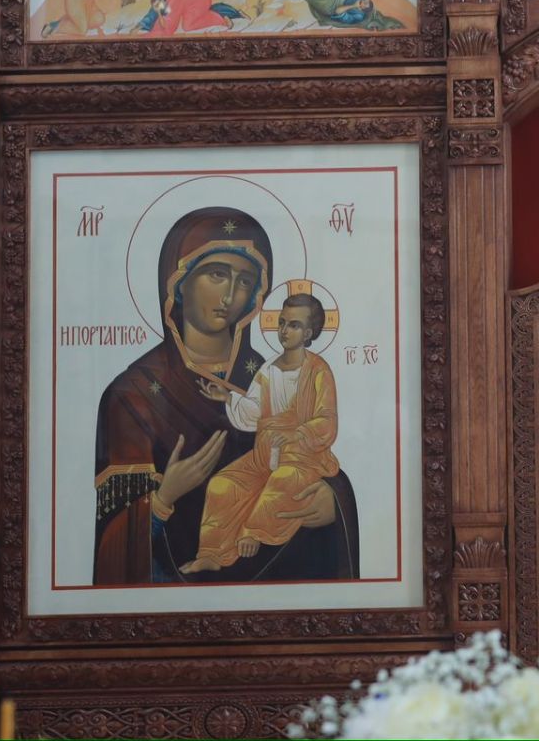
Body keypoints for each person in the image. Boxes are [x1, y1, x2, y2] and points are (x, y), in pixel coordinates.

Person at [93, 207, 359, 584]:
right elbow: (113, 551)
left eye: (245, 280)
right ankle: (212, 552)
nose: (231, 295)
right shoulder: (132, 395)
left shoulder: (269, 370)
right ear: (178, 282)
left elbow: (320, 448)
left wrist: (332, 502)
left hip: (280, 590)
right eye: (217, 274)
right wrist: (163, 499)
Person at [183, 294, 340, 573]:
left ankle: (252, 532)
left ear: (308, 333)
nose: (284, 330)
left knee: (283, 479)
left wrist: (297, 434)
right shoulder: (268, 369)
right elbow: (254, 412)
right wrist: (228, 397)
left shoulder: (318, 371)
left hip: (302, 458)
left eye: (293, 325)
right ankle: (211, 553)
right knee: (222, 484)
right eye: (281, 323)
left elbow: (327, 420)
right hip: (263, 454)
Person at [137, 0, 246, 36]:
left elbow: (168, 28)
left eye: (157, 5)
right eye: (155, 6)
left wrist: (158, 18)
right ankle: (230, 12)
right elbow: (152, 14)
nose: (157, 7)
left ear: (162, 1)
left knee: (188, 26)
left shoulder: (171, 3)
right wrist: (139, 26)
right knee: (195, 18)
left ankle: (222, 18)